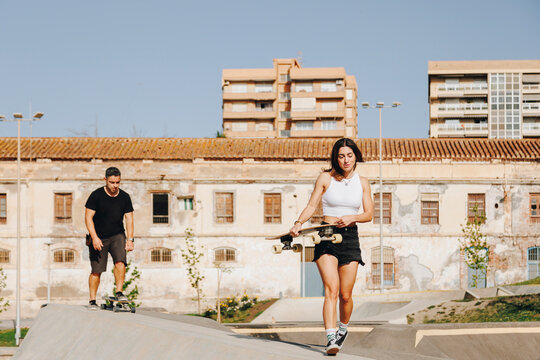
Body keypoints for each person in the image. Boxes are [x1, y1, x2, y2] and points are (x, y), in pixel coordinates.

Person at [289, 138, 373, 355]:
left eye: (349, 155)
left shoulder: (363, 182)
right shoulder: (325, 178)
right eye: (341, 156)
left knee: (346, 294)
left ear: (356, 156)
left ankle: (343, 329)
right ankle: (330, 338)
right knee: (332, 290)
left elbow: (369, 214)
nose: (345, 160)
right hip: (326, 234)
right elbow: (311, 205)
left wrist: (352, 217)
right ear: (336, 158)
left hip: (350, 236)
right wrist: (298, 223)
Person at [85, 167, 135, 310]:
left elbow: (129, 219)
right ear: (105, 180)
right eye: (112, 182)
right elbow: (88, 218)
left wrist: (130, 239)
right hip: (98, 236)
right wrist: (94, 237)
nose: (115, 186)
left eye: (117, 182)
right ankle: (92, 300)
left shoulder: (125, 197)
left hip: (117, 235)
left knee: (121, 261)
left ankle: (119, 292)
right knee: (97, 270)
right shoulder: (96, 195)